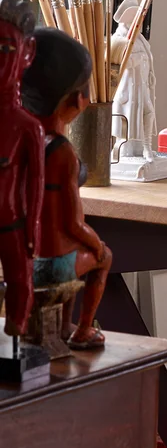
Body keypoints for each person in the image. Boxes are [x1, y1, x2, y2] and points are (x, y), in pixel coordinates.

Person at [21, 28, 112, 350]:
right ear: (78, 99)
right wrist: (96, 244)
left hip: (21, 257)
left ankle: (62, 327)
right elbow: (72, 224)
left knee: (73, 254)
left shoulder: (20, 144)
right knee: (103, 257)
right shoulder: (62, 153)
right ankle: (83, 330)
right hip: (51, 265)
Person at [0, 0, 44, 339]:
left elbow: (36, 183)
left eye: (5, 49)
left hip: (12, 224)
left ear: (27, 53)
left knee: (20, 281)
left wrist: (32, 230)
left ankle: (14, 337)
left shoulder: (28, 127)